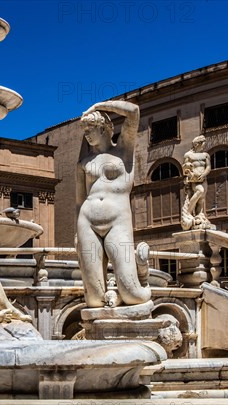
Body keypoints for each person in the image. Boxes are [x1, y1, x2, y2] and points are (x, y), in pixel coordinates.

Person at [76, 101, 151, 308]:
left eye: (90, 129)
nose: (87, 134)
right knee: (93, 300)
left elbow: (134, 112)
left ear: (103, 128)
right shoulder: (83, 163)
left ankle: (142, 275)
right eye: (84, 130)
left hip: (117, 222)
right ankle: (112, 296)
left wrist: (99, 105)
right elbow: (78, 200)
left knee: (133, 294)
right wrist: (77, 232)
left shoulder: (123, 151)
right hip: (87, 222)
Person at [181, 135, 213, 230]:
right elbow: (184, 168)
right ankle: (188, 213)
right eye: (202, 143)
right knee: (200, 191)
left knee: (201, 199)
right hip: (194, 180)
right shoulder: (188, 155)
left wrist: (204, 174)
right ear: (196, 144)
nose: (204, 145)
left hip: (203, 179)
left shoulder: (206, 155)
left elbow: (208, 167)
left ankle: (199, 215)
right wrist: (187, 166)